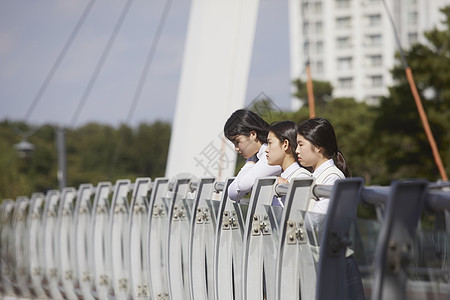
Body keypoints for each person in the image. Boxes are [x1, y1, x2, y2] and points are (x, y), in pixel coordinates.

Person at [296, 117, 365, 300]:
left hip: (336, 265)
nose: (297, 151)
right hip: (326, 262)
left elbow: (313, 221)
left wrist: (292, 200)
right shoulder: (318, 176)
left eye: (301, 144)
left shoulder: (333, 178)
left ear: (318, 146)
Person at [224, 109, 281, 202]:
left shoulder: (271, 155)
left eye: (237, 142)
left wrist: (249, 164)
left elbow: (242, 186)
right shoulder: (256, 157)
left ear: (253, 134)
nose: (236, 148)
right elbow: (232, 192)